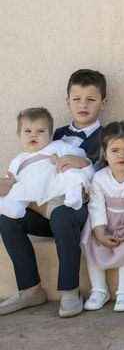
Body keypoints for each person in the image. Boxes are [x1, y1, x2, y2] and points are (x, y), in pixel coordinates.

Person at [0, 69, 107, 317]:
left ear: (103, 103)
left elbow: (104, 180)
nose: (83, 105)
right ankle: (31, 290)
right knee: (7, 219)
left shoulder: (108, 137)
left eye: (90, 99)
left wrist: (82, 164)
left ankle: (70, 291)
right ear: (67, 101)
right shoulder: (50, 134)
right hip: (42, 207)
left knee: (62, 214)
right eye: (76, 99)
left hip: (78, 212)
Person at [80, 121, 124, 312]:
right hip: (104, 222)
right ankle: (99, 290)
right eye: (115, 150)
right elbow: (96, 207)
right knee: (92, 246)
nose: (121, 155)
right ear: (105, 154)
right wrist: (99, 233)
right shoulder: (99, 178)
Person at [1, 108, 90, 220]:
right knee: (17, 193)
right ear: (19, 134)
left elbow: (78, 154)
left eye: (41, 131)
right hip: (34, 197)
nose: (33, 135)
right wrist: (11, 184)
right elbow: (10, 179)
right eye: (27, 131)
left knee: (70, 173)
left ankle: (73, 195)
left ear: (50, 134)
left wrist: (63, 159)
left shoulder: (57, 146)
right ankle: (13, 208)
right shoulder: (18, 160)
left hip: (58, 196)